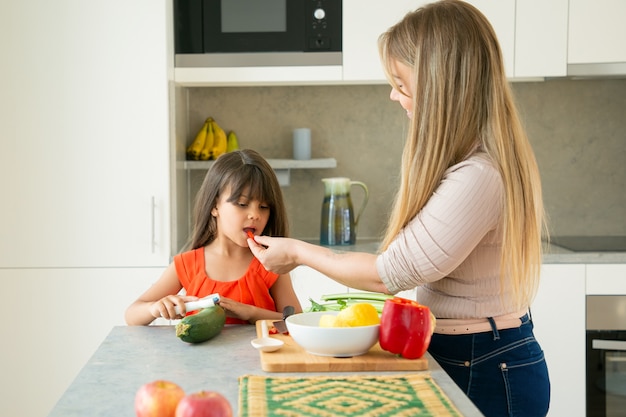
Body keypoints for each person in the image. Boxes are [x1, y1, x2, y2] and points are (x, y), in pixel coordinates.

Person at [248, 1, 550, 416]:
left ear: (441, 85)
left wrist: (298, 253)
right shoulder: (472, 165)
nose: (394, 95)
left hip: (485, 365)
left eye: (402, 83)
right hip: (469, 354)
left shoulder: (479, 176)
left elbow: (387, 274)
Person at [125, 149, 302, 326]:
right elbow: (131, 315)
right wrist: (154, 308)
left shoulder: (271, 263)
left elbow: (297, 321)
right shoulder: (188, 264)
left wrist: (250, 312)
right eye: (242, 204)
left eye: (263, 206)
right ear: (214, 205)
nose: (255, 214)